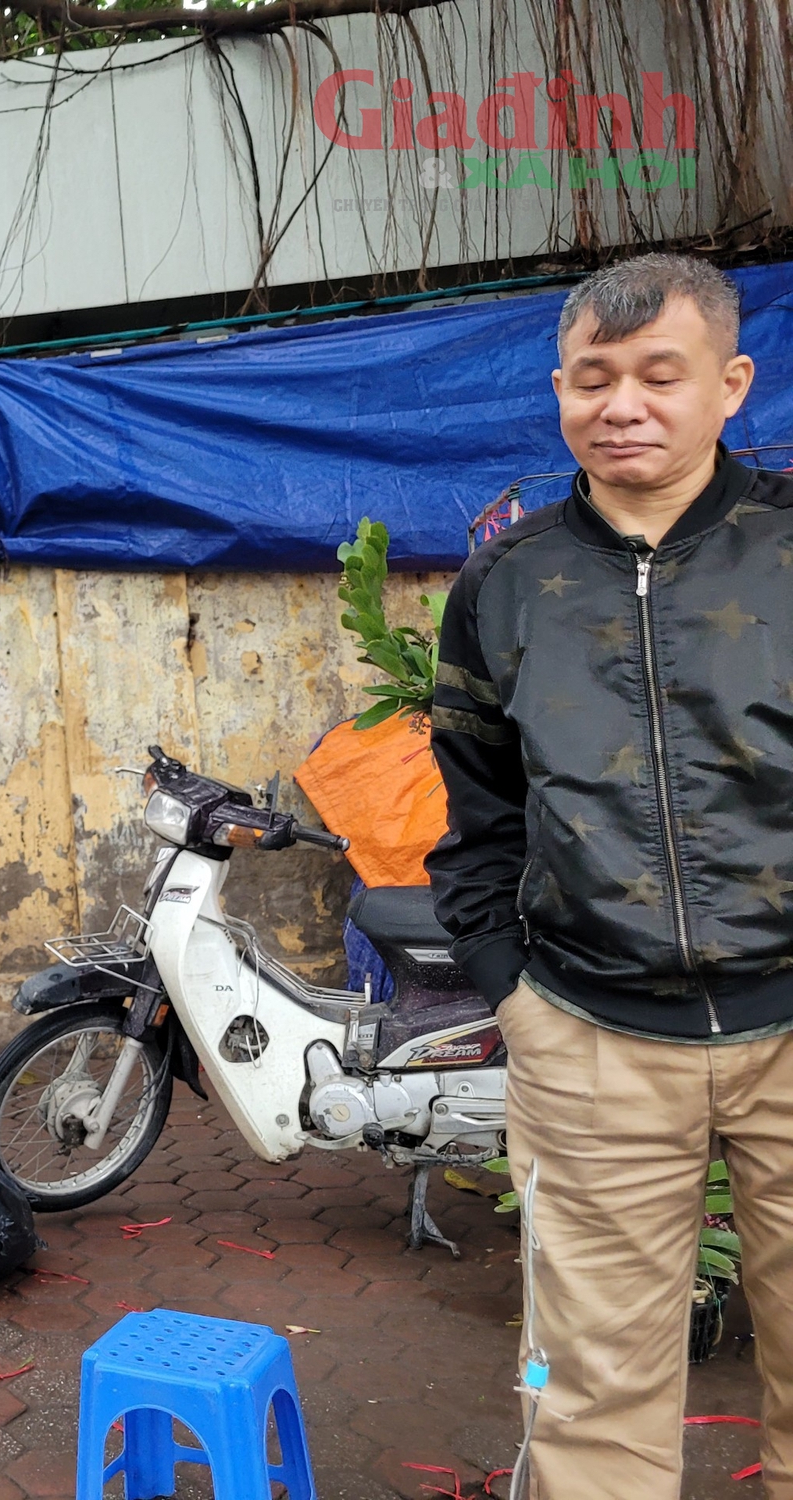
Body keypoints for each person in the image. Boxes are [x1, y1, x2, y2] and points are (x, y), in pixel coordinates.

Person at [428, 252, 793, 1498]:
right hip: (591, 1037)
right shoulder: (504, 580)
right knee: (585, 1394)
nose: (621, 405)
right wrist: (508, 990)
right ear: (559, 390)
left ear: (729, 384)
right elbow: (475, 810)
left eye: (657, 375)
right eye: (592, 380)